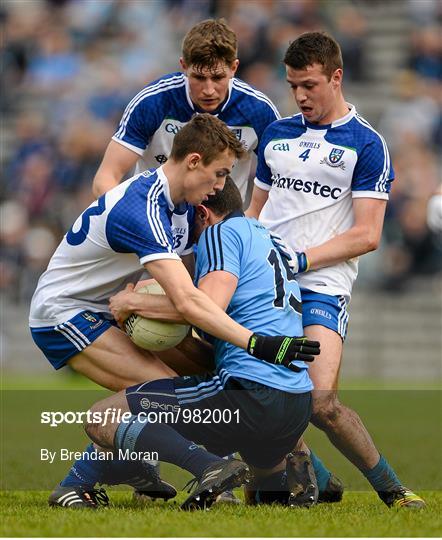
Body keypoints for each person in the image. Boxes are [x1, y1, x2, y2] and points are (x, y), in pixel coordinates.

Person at [29, 114, 319, 508]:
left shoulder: (184, 204)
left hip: (110, 307)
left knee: (193, 384)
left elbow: (196, 287)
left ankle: (130, 467)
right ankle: (209, 469)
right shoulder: (142, 207)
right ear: (193, 161)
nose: (221, 187)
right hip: (66, 312)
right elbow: (187, 300)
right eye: (219, 174)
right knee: (163, 392)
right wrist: (258, 343)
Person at [246, 31, 425, 509]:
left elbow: (368, 235)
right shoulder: (276, 134)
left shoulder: (367, 144)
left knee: (320, 402)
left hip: (323, 284)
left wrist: (300, 259)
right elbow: (253, 214)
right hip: (267, 281)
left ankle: (393, 492)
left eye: (309, 84)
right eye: (293, 86)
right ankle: (317, 479)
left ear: (336, 77)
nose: (300, 95)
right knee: (256, 395)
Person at [83, 176, 319, 510]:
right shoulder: (269, 239)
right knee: (265, 496)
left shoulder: (219, 233)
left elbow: (207, 305)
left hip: (247, 394)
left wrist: (130, 304)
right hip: (296, 403)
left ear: (203, 213)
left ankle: (209, 467)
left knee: (102, 417)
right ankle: (294, 470)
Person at [92, 18, 280, 206]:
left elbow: (283, 177)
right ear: (183, 66)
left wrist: (253, 220)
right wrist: (131, 221)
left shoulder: (258, 110)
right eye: (199, 77)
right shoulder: (153, 101)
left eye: (217, 77)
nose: (208, 90)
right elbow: (106, 178)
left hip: (220, 224)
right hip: (155, 213)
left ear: (233, 68)